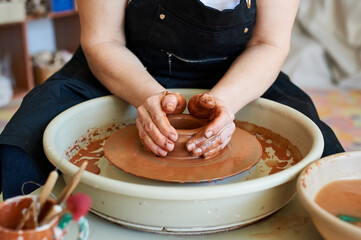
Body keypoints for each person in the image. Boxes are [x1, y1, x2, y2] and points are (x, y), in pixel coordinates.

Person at [0, 0, 344, 199]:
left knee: (328, 164)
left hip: (238, 75)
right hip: (120, 68)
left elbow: (268, 43)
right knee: (15, 156)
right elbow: (102, 39)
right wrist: (147, 97)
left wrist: (225, 102)